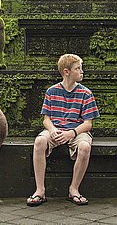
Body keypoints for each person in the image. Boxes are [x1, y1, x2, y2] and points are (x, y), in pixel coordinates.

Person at [27, 54, 100, 207]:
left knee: (85, 147)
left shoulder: (86, 94)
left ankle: (74, 189)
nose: (82, 72)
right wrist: (52, 130)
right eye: (78, 69)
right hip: (56, 129)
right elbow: (46, 119)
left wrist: (71, 133)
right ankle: (40, 190)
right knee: (39, 141)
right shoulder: (52, 91)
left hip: (77, 131)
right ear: (66, 72)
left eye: (81, 68)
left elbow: (88, 124)